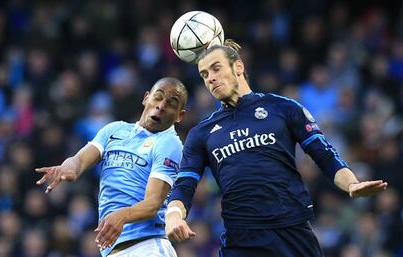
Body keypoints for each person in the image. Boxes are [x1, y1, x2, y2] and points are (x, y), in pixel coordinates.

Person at [164, 41, 388, 257]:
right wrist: (174, 215)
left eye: (216, 68)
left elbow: (326, 156)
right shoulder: (201, 133)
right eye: (204, 75)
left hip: (292, 230)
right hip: (242, 239)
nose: (211, 78)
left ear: (238, 67)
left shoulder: (283, 108)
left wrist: (352, 184)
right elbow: (185, 183)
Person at [36, 77, 188, 257]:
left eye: (171, 103)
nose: (161, 106)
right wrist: (68, 167)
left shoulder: (169, 143)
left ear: (179, 115)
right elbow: (79, 159)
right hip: (113, 250)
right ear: (146, 98)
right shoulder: (115, 130)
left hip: (147, 247)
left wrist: (122, 215)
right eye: (158, 97)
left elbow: (152, 204)